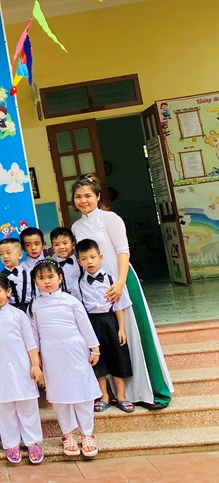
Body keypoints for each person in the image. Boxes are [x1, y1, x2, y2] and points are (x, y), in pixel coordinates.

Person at [71, 174, 173, 409]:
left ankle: (147, 391)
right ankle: (115, 393)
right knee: (109, 341)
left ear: (98, 196)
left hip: (121, 281)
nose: (83, 200)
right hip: (96, 291)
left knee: (133, 335)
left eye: (88, 195)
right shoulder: (76, 227)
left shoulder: (111, 219)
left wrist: (119, 283)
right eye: (78, 196)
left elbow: (123, 251)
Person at [28, 260, 102, 458]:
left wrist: (94, 349)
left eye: (51, 276)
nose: (47, 281)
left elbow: (85, 325)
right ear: (35, 282)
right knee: (60, 396)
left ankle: (87, 434)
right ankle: (68, 435)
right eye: (41, 278)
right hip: (51, 355)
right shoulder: (34, 306)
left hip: (76, 350)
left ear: (60, 278)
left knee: (83, 393)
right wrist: (36, 359)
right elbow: (34, 335)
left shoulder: (71, 301)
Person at [0, 273, 44, 465]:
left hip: (22, 365)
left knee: (27, 405)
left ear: (7, 291)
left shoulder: (19, 315)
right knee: (4, 407)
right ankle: (11, 443)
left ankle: (33, 442)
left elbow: (30, 342)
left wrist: (35, 365)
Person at [76, 239, 135, 415]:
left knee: (118, 356)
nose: (89, 262)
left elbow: (119, 306)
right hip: (91, 324)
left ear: (100, 257)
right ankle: (104, 396)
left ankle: (121, 396)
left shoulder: (111, 280)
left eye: (92, 257)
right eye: (84, 259)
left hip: (110, 321)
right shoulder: (79, 284)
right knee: (97, 359)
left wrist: (121, 329)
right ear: (79, 261)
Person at [0, 238, 33, 312]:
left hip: (29, 310)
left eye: (8, 253)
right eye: (1, 254)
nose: (5, 256)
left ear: (20, 255)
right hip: (7, 311)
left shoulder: (30, 275)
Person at [50, 228, 82, 301]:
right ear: (53, 248)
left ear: (73, 245)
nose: (61, 247)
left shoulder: (81, 262)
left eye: (65, 243)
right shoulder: (52, 267)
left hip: (82, 299)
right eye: (56, 244)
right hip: (63, 301)